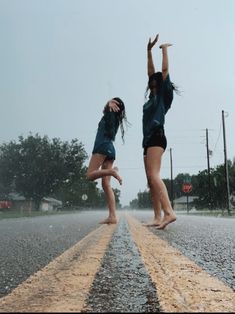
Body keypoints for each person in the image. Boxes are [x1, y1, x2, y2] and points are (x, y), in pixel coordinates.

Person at [142, 34, 178, 229]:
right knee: (150, 180)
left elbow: (163, 70)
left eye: (156, 81)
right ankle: (158, 217)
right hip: (147, 140)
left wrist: (163, 49)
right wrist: (148, 51)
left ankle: (169, 212)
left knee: (154, 175)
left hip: (157, 136)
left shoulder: (163, 98)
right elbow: (151, 72)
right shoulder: (150, 99)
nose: (153, 82)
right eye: (152, 81)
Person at [86, 97, 128, 224]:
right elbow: (104, 111)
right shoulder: (115, 119)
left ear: (114, 106)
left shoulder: (110, 116)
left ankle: (112, 172)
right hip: (110, 149)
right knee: (106, 185)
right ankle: (112, 216)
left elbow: (105, 111)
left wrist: (109, 105)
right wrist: (108, 105)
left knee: (89, 175)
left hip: (101, 147)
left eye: (112, 102)